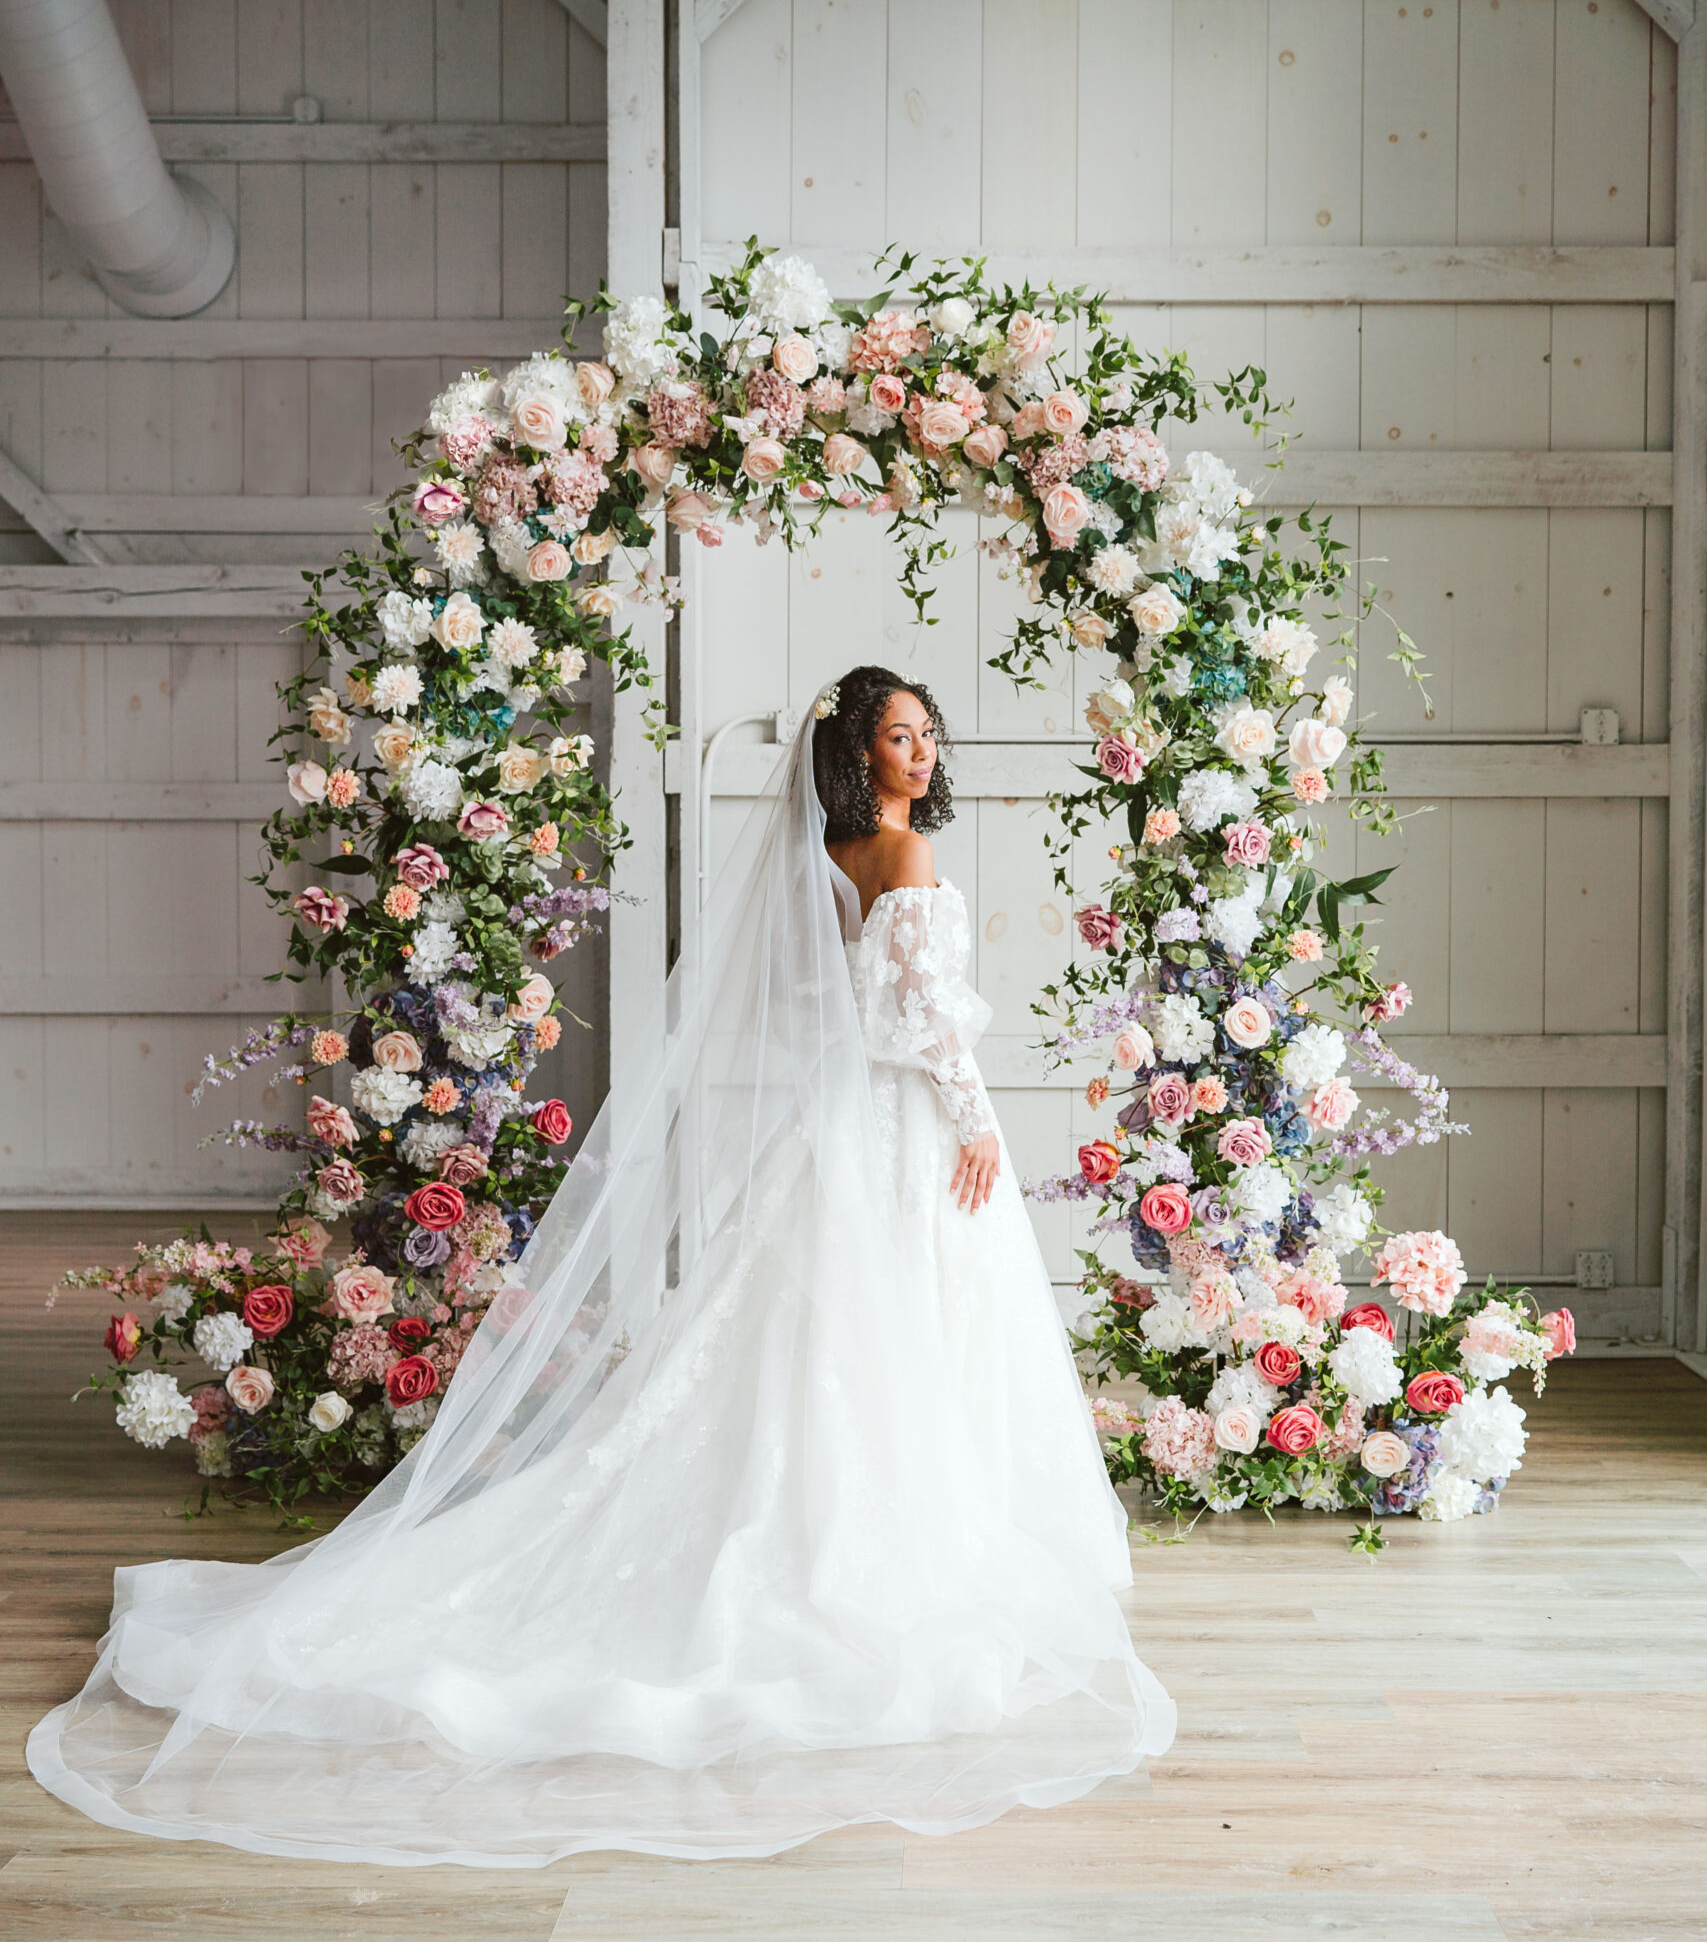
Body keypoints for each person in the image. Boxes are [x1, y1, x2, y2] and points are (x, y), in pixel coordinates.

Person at [29, 667, 1174, 1866]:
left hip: (842, 1128)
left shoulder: (831, 851)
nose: (922, 754)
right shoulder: (902, 858)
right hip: (909, 1118)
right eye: (900, 737)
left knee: (822, 1326)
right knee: (906, 1323)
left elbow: (835, 1003)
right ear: (859, 751)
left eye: (928, 735)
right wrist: (976, 1121)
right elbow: (923, 1020)